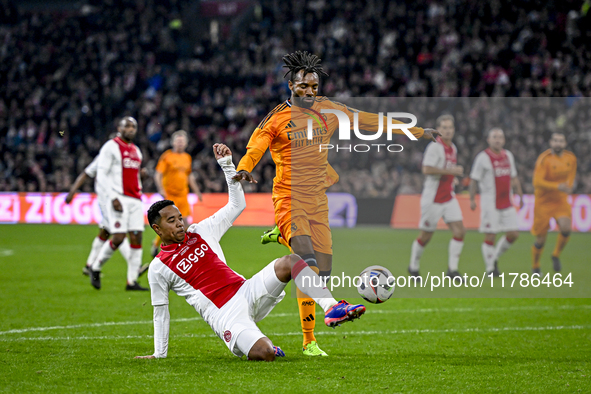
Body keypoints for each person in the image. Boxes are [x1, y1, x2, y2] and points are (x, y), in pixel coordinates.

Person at [233, 51, 439, 356]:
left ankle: (309, 332)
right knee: (306, 263)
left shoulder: (328, 109)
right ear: (291, 85)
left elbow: (371, 121)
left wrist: (417, 131)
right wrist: (246, 166)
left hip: (318, 201)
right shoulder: (277, 118)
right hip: (289, 199)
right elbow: (258, 142)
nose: (310, 91)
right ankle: (312, 335)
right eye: (304, 86)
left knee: (320, 273)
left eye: (314, 86)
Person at [136, 143, 365, 361]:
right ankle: (260, 344)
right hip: (225, 315)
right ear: (157, 228)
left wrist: (227, 165)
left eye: (179, 218)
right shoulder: (158, 268)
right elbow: (160, 313)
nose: (179, 223)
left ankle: (332, 307)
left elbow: (237, 206)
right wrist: (159, 354)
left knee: (291, 261)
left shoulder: (200, 231)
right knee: (266, 354)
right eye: (171, 221)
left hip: (246, 289)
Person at [90, 116, 147, 291]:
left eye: (133, 126)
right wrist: (112, 197)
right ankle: (96, 267)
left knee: (137, 237)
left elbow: (133, 175)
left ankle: (131, 282)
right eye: (127, 126)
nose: (131, 129)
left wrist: (140, 177)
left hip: (135, 199)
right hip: (118, 197)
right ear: (119, 128)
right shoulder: (110, 147)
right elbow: (102, 174)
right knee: (118, 237)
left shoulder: (137, 150)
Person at [408, 114, 465, 283]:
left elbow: (445, 169)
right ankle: (413, 267)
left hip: (448, 196)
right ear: (439, 130)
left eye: (450, 127)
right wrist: (451, 172)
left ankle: (452, 270)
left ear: (454, 130)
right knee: (426, 236)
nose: (447, 131)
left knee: (460, 231)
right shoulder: (434, 147)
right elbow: (426, 169)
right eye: (444, 128)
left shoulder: (452, 147)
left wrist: (451, 178)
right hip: (432, 199)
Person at [65, 155, 131, 276]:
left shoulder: (123, 158)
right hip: (107, 200)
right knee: (119, 231)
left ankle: (89, 265)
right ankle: (134, 268)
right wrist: (72, 191)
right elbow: (86, 173)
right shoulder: (103, 158)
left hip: (116, 198)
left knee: (104, 232)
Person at [469, 128, 523, 275]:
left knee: (513, 234)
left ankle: (494, 258)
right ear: (489, 140)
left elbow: (514, 177)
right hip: (490, 202)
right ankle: (490, 269)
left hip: (507, 202)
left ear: (504, 140)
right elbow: (474, 180)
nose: (497, 140)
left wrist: (520, 195)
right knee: (490, 235)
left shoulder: (508, 156)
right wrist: (472, 198)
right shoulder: (482, 157)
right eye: (494, 137)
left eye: (500, 137)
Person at [151, 130, 203, 258]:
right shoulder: (167, 156)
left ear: (185, 143)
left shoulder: (187, 158)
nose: (180, 143)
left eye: (182, 141)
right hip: (170, 196)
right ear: (173, 142)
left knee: (185, 223)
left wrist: (197, 191)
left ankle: (182, 248)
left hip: (183, 195)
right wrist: (161, 189)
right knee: (167, 224)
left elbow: (189, 176)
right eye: (178, 141)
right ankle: (157, 243)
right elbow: (158, 174)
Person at [531, 132, 577, 274]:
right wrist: (557, 186)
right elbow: (536, 182)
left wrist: (569, 185)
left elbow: (571, 174)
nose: (558, 143)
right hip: (543, 202)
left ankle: (555, 254)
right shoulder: (544, 159)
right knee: (541, 239)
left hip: (560, 201)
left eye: (561, 141)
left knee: (566, 228)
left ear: (565, 143)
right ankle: (536, 266)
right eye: (555, 140)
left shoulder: (571, 158)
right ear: (551, 143)